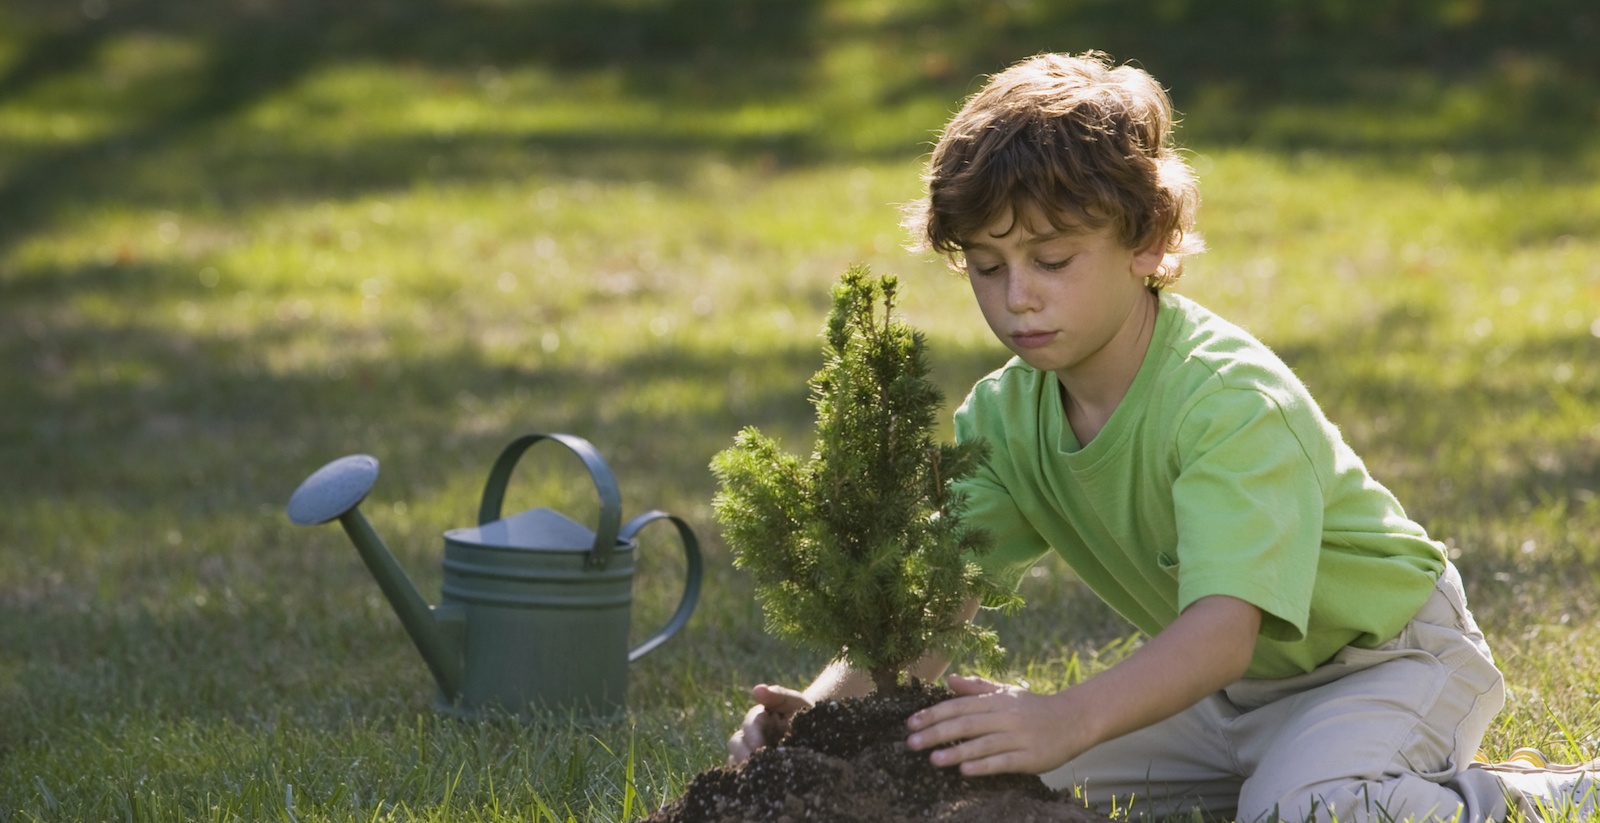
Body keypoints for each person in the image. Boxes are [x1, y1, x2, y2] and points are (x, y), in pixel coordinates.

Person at [726, 51, 1598, 822]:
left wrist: (1068, 715)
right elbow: (936, 604)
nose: (1016, 296)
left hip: (1387, 661)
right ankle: (1294, 764)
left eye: (1052, 260)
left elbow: (1222, 627)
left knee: (1306, 812)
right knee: (980, 769)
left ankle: (1531, 797)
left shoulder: (1225, 399)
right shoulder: (1003, 416)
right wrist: (824, 708)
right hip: (1228, 694)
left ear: (1146, 240)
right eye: (987, 269)